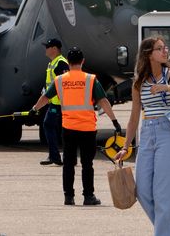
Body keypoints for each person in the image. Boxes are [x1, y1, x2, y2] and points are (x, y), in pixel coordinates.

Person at [116, 36, 170, 236]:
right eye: (159, 49)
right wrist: (126, 146)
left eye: (165, 48)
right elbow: (134, 117)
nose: (165, 51)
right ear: (148, 54)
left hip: (168, 132)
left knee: (165, 195)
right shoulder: (139, 83)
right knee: (142, 191)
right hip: (147, 133)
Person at [30, 47, 122, 206]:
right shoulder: (91, 79)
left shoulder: (60, 80)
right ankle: (88, 196)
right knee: (87, 164)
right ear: (83, 61)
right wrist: (114, 121)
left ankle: (68, 196)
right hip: (87, 128)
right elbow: (103, 102)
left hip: (68, 128)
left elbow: (45, 97)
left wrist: (34, 109)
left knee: (68, 163)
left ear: (69, 61)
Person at [40, 38, 70, 166]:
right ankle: (55, 156)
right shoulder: (52, 63)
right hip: (55, 103)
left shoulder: (61, 63)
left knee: (60, 129)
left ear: (54, 49)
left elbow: (64, 83)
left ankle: (59, 156)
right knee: (52, 127)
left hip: (61, 104)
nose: (45, 49)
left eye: (47, 47)